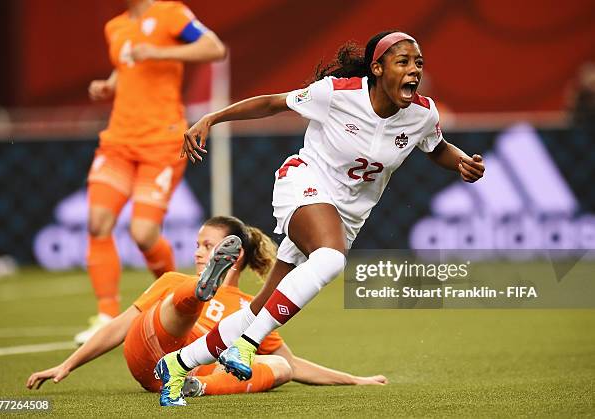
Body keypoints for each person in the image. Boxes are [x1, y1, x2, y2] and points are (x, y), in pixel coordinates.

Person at [159, 30, 486, 406]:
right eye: (403, 62)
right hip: (303, 182)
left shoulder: (422, 114)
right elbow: (272, 103)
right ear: (377, 69)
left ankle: (179, 363)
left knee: (260, 307)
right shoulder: (336, 93)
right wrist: (213, 118)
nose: (414, 71)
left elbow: (437, 146)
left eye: (418, 64)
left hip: (346, 215)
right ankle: (245, 347)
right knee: (330, 259)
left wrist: (461, 162)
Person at [27, 216, 387, 400]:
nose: (198, 252)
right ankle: (198, 295)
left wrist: (354, 379)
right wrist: (67, 365)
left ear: (236, 254)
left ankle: (195, 389)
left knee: (277, 365)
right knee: (180, 304)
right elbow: (120, 327)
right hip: (150, 347)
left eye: (208, 245)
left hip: (179, 375)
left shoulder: (250, 307)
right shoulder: (170, 281)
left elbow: (292, 365)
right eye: (198, 245)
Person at [76, 0, 226, 344]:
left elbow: (213, 47)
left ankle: (176, 298)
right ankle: (105, 315)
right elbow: (128, 63)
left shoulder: (171, 13)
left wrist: (156, 52)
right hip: (118, 141)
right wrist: (111, 83)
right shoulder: (114, 26)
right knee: (98, 221)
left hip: (161, 141)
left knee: (143, 234)